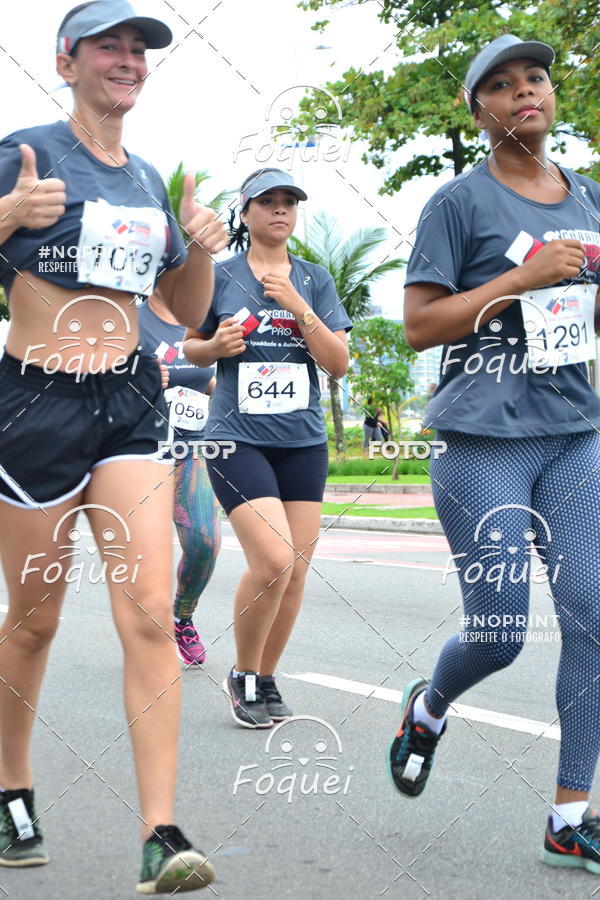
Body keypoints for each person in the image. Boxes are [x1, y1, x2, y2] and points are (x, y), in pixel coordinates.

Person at [0, 1, 228, 892]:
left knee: (145, 607)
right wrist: (8, 212)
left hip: (130, 401)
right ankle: (12, 786)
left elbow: (183, 310)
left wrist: (204, 243)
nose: (129, 60)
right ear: (66, 61)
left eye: (140, 49)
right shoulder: (23, 151)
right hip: (33, 407)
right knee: (36, 619)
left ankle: (161, 834)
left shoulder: (147, 181)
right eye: (110, 46)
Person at [387, 35, 600, 876]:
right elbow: (419, 325)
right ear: (477, 110)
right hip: (483, 442)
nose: (524, 94)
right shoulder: (458, 203)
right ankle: (429, 708)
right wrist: (523, 279)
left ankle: (569, 815)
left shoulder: (588, 197)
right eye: (502, 86)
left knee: (593, 611)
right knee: (502, 631)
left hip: (575, 433)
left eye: (536, 79)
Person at [183, 168, 352, 728]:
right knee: (274, 559)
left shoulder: (315, 279)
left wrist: (298, 307)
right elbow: (190, 346)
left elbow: (337, 362)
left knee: (297, 570)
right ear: (246, 212)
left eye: (289, 202)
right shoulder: (222, 275)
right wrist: (215, 344)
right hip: (236, 439)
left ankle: (264, 678)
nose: (280, 210)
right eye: (268, 202)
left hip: (303, 442)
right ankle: (241, 674)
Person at [138, 286, 221, 666]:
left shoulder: (200, 323)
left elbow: (207, 383)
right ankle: (142, 629)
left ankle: (181, 616)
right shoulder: (129, 321)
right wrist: (137, 381)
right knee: (143, 551)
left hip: (192, 448)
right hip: (139, 450)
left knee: (204, 543)